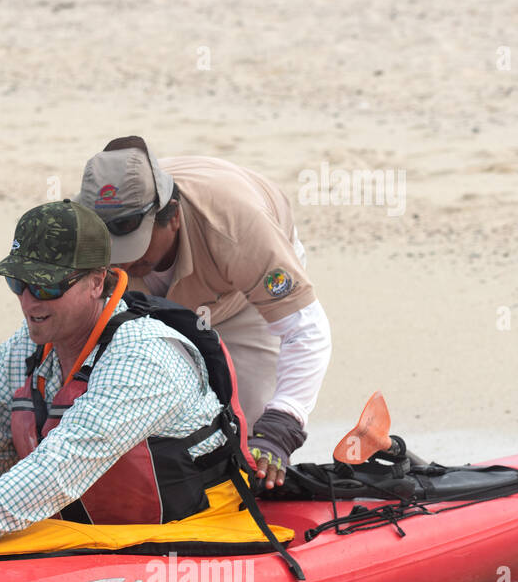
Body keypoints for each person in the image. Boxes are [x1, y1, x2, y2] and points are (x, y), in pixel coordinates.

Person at [0, 200, 257, 558]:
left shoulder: (144, 357)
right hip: (91, 536)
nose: (28, 302)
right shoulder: (20, 352)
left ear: (98, 282)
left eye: (46, 286)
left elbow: (55, 473)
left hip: (195, 533)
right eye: (19, 283)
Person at [75, 136, 333, 488]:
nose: (125, 260)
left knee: (253, 435)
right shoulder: (83, 236)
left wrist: (283, 423)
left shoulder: (238, 228)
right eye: (112, 247)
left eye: (137, 243)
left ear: (174, 217)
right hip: (150, 309)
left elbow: (305, 330)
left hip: (240, 299)